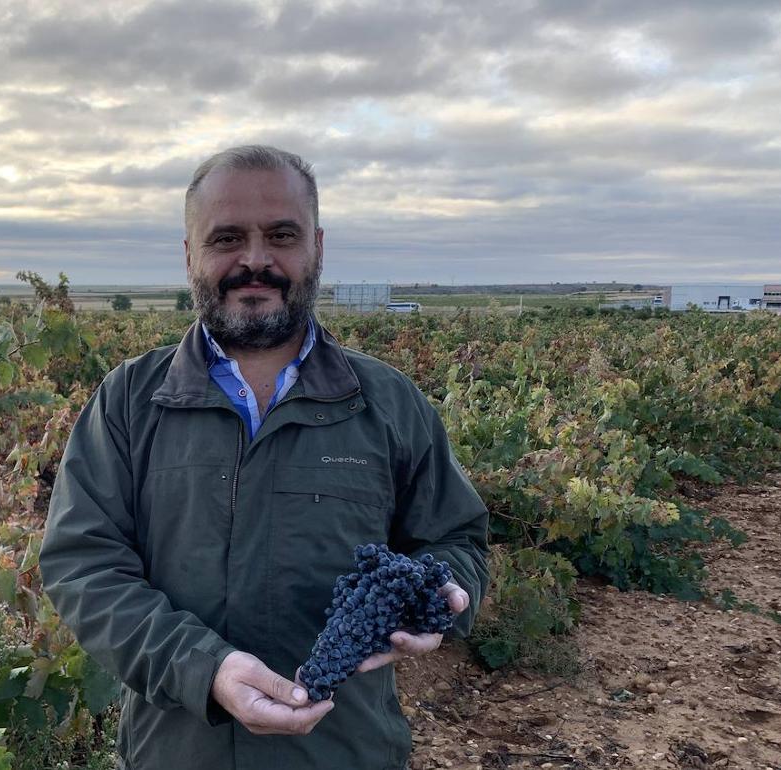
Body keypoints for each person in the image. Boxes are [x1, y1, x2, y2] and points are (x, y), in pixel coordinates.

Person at [40, 145, 489, 770]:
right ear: (189, 253)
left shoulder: (388, 403)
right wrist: (205, 670)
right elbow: (84, 567)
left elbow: (457, 540)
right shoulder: (128, 403)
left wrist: (444, 591)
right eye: (227, 238)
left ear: (318, 247)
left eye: (281, 235)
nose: (255, 260)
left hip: (346, 755)